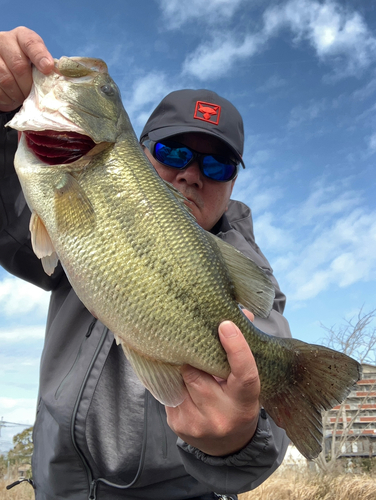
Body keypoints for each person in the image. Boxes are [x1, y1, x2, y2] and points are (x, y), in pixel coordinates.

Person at [0, 27, 291, 500]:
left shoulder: (249, 271)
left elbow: (270, 430)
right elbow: (10, 225)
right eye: (173, 151)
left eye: (217, 166)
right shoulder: (75, 211)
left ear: (233, 182)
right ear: (137, 151)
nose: (191, 175)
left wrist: (237, 440)